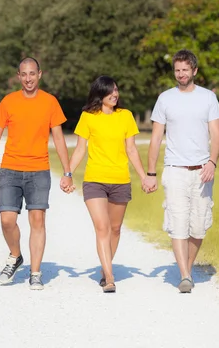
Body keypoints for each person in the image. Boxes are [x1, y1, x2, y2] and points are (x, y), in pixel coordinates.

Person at [0, 57, 73, 290]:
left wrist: (68, 171)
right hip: (10, 169)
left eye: (32, 73)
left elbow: (59, 138)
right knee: (7, 219)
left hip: (39, 170)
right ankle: (15, 255)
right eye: (24, 74)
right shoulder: (9, 101)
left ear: (39, 74)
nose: (29, 78)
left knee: (37, 220)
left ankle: (35, 272)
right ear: (19, 76)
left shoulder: (50, 102)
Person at [143, 49, 219, 293]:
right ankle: (185, 275)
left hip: (202, 171)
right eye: (177, 70)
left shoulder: (208, 98)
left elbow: (216, 134)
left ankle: (185, 268)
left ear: (194, 71)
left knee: (198, 225)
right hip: (174, 169)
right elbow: (156, 138)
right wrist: (151, 173)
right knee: (178, 221)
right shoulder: (165, 99)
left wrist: (212, 163)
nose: (181, 74)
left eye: (185, 70)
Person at [68, 76, 147, 293]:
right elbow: (80, 149)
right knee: (102, 227)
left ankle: (105, 268)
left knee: (115, 229)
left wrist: (144, 176)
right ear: (100, 93)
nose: (115, 94)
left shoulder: (126, 116)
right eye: (110, 91)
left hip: (120, 180)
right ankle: (109, 277)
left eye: (116, 90)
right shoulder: (88, 117)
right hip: (95, 180)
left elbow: (131, 149)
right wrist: (68, 173)